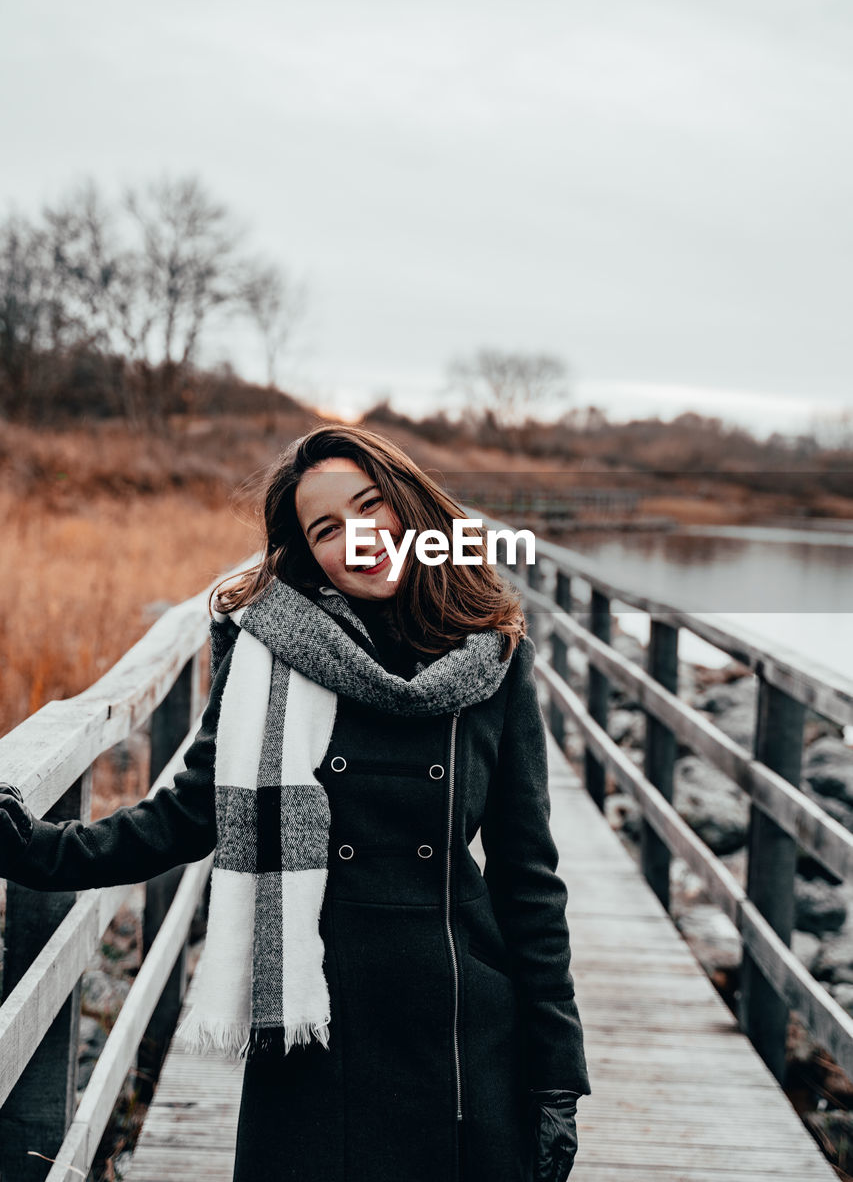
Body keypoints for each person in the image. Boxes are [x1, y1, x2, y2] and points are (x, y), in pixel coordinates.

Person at [0, 423, 591, 1182]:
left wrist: (554, 1074)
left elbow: (527, 879)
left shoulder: (493, 662)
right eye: (326, 529)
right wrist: (40, 851)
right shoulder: (268, 656)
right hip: (317, 1028)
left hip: (460, 1035)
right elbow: (189, 814)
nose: (359, 536)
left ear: (413, 511)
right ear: (306, 552)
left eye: (370, 506)